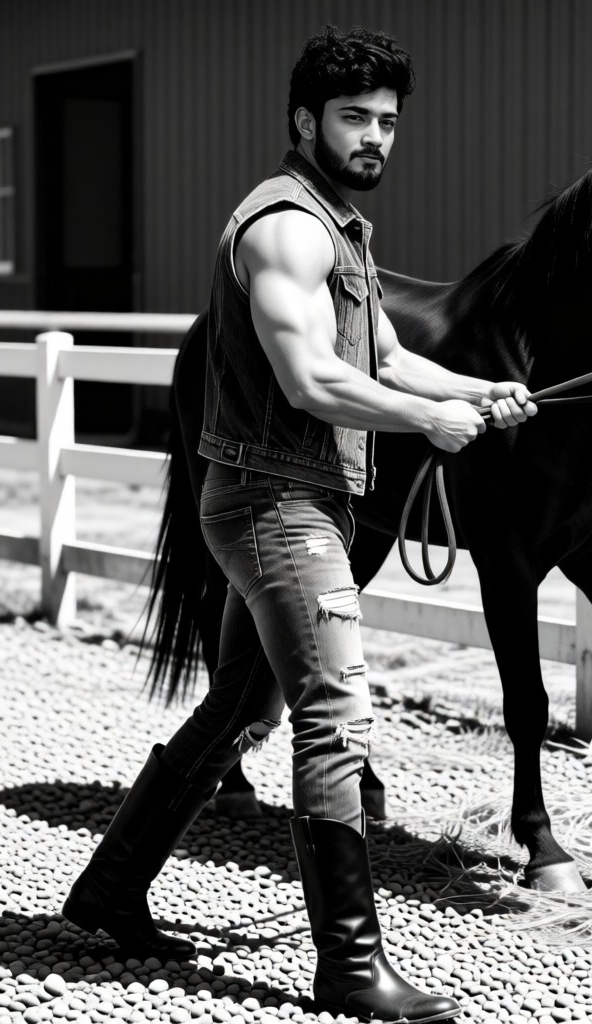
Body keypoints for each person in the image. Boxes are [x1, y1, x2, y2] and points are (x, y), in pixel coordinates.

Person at [63, 25, 537, 1023]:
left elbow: (389, 357)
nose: (375, 137)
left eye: (388, 121)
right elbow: (312, 379)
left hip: (291, 501)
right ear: (304, 119)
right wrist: (429, 424)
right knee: (335, 712)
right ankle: (351, 966)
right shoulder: (287, 228)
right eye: (354, 117)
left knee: (242, 705)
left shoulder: (342, 229)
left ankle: (107, 888)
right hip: (277, 507)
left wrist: (480, 391)